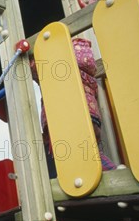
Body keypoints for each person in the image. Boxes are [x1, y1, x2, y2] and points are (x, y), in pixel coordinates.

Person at [31, 38, 116, 178]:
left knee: (74, 151)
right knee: (86, 150)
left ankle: (108, 171)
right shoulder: (84, 72)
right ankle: (104, 171)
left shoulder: (53, 68)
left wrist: (28, 55)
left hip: (70, 114)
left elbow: (35, 67)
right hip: (87, 114)